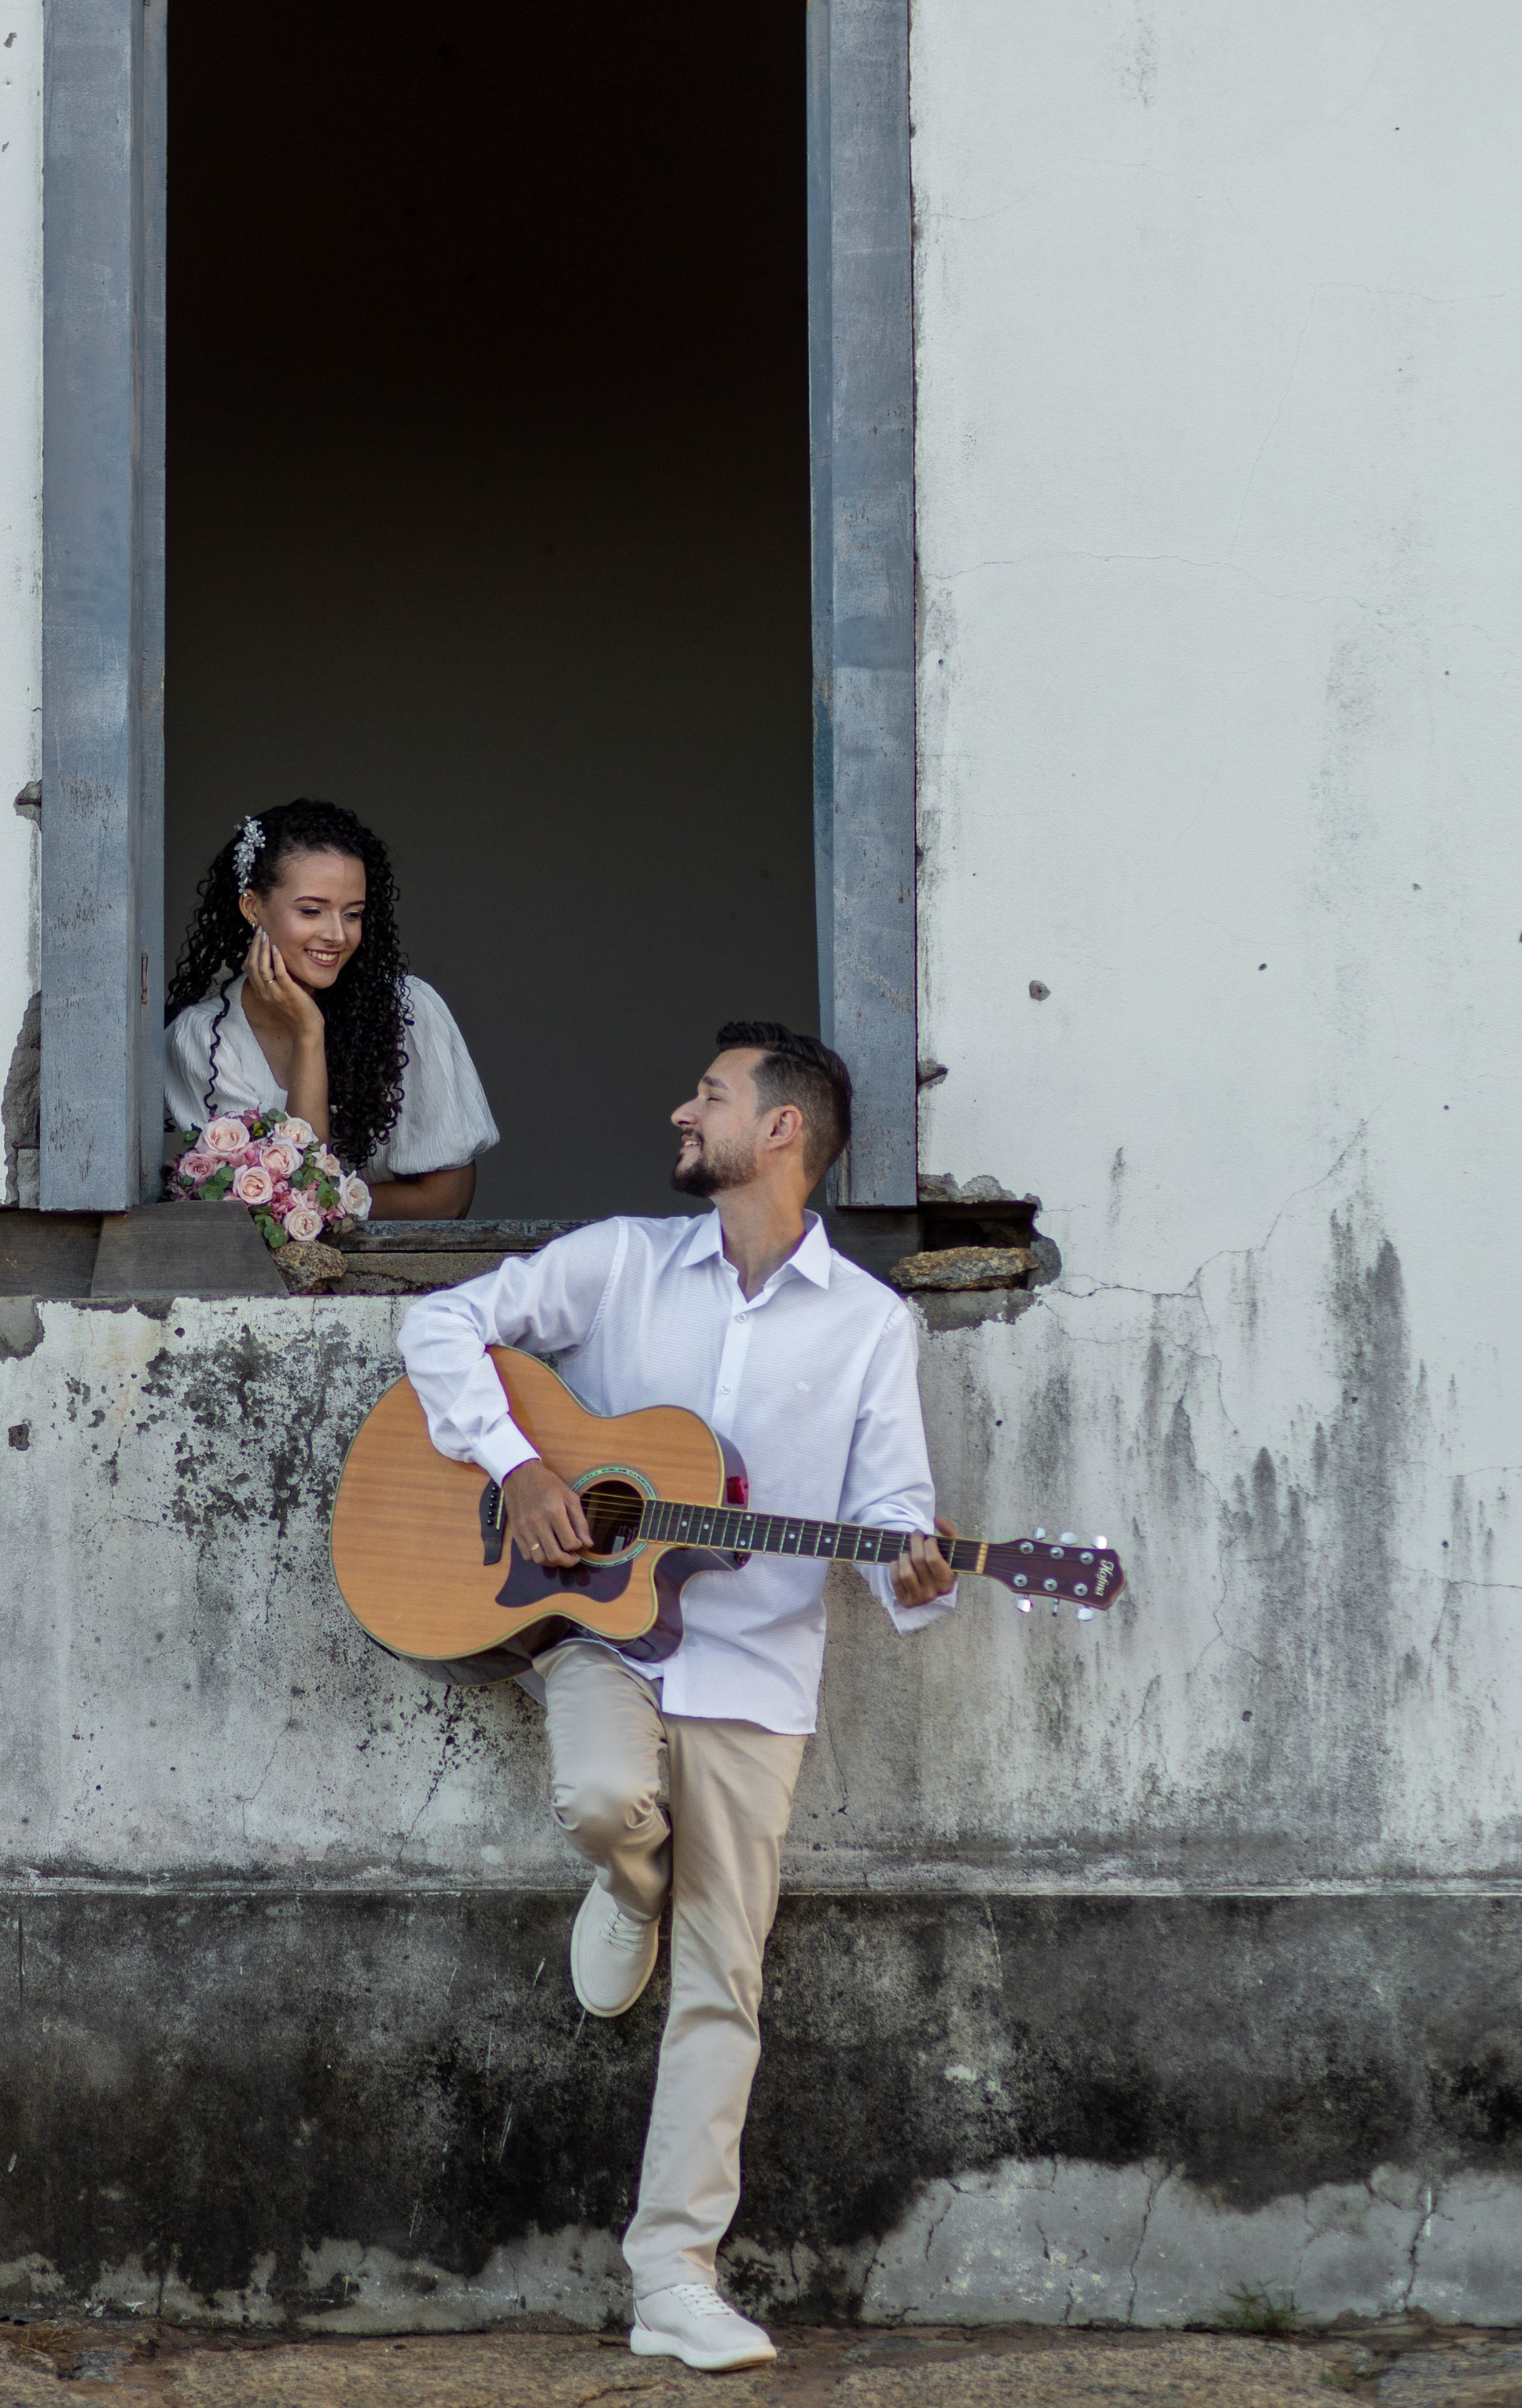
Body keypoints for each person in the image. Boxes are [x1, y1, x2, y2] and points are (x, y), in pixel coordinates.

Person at [395, 1023, 956, 2373]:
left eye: (707, 1094)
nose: (679, 1109)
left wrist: (924, 1568)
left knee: (726, 1980)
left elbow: (891, 1511)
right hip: (604, 1638)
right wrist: (522, 1467)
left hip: (758, 1670)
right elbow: (441, 1319)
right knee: (602, 1802)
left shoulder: (871, 1327)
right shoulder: (622, 1263)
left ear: (781, 1133)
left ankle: (674, 2278)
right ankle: (632, 1879)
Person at [164, 798, 498, 1222]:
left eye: (353, 914)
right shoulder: (204, 1039)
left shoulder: (408, 1012)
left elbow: (448, 1200)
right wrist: (308, 1032)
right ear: (252, 907)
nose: (337, 935)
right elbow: (297, 1196)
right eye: (311, 911)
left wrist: (332, 1206)